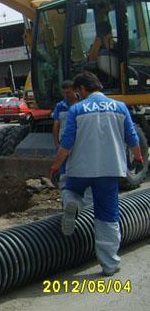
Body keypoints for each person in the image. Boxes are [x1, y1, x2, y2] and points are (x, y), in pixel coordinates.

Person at [49, 72, 143, 276]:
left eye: (77, 91)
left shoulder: (77, 109)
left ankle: (74, 202)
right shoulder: (119, 107)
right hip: (110, 169)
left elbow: (67, 143)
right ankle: (109, 264)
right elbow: (132, 137)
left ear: (82, 89)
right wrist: (138, 158)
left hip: (80, 169)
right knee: (107, 216)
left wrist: (56, 166)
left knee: (69, 189)